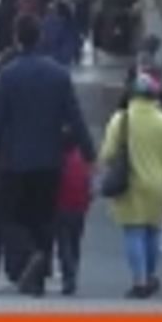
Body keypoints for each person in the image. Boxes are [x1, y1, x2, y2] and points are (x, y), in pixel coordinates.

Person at [0, 14, 96, 297]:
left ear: (17, 37)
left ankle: (29, 254)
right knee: (44, 218)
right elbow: (75, 117)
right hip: (50, 159)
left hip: (15, 159)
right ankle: (38, 277)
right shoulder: (58, 75)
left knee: (11, 216)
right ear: (41, 37)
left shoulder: (8, 76)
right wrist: (89, 153)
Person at [100, 73, 162, 299]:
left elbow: (108, 153)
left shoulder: (121, 119)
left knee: (134, 232)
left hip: (129, 184)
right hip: (158, 186)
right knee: (152, 232)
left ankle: (139, 281)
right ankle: (150, 275)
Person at [54, 127, 93, 296]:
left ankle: (68, 275)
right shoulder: (82, 159)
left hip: (61, 206)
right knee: (75, 242)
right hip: (79, 208)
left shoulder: (58, 160)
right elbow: (89, 186)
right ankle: (73, 271)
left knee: (64, 244)